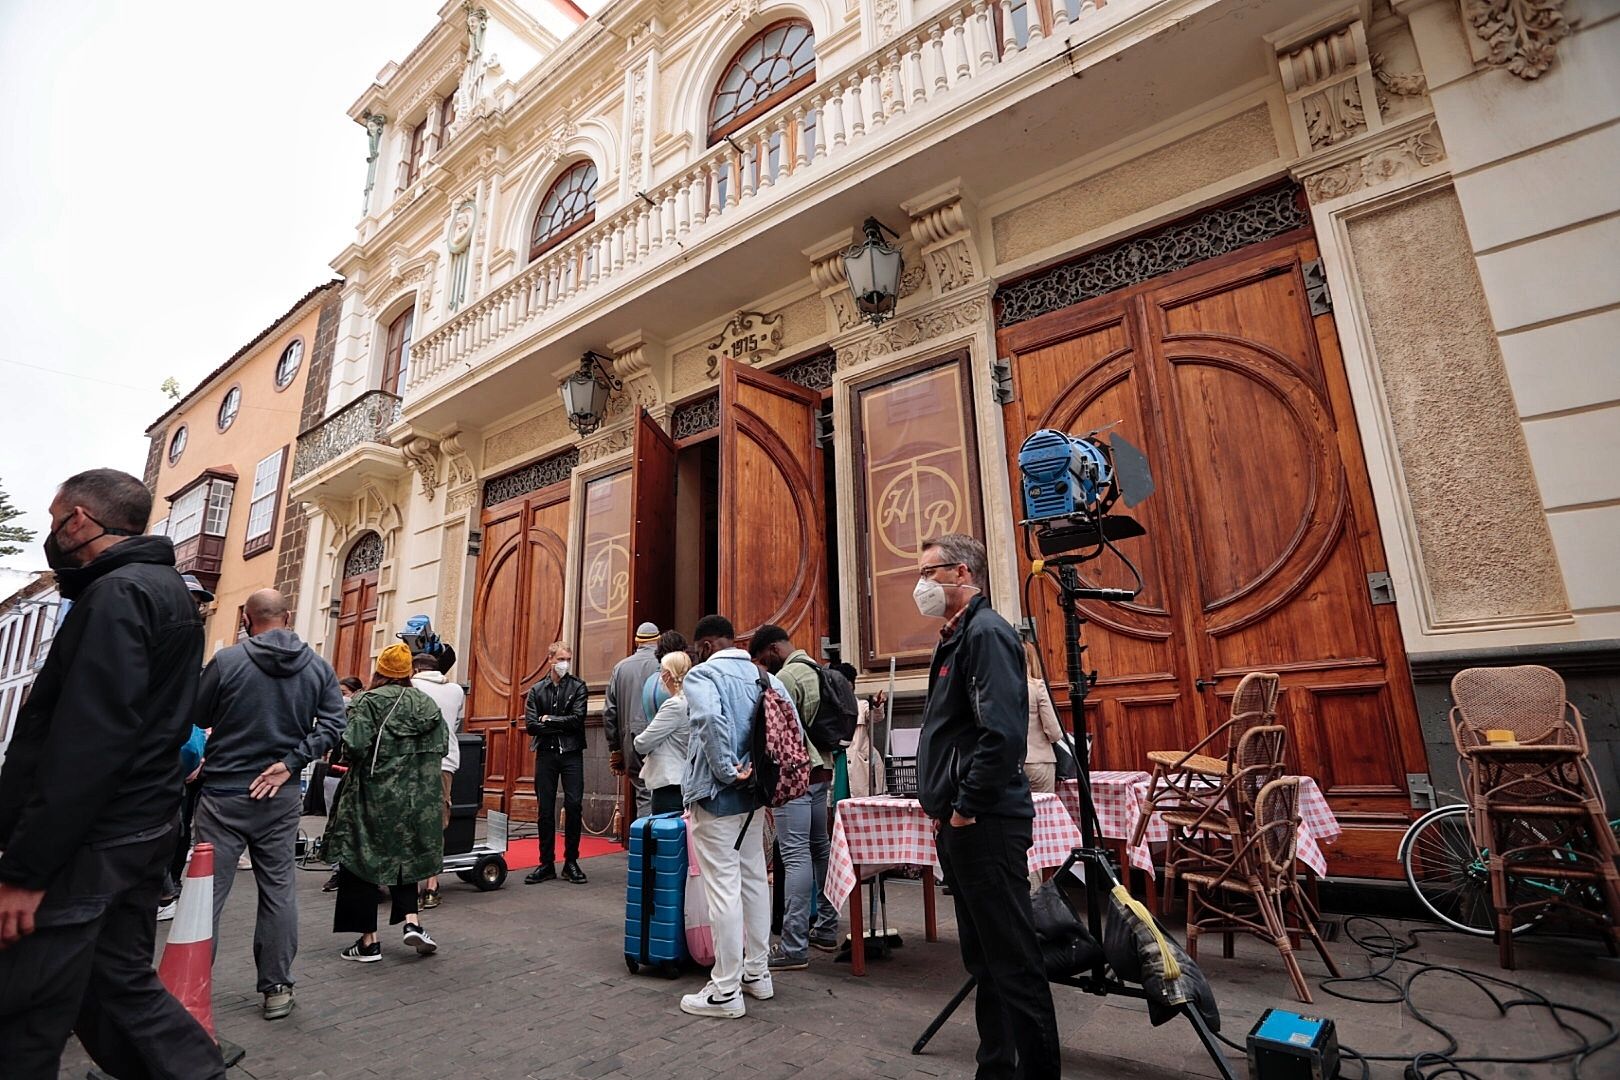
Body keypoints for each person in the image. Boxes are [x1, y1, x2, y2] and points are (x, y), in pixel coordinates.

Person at [0, 468, 226, 1079]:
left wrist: (25, 869)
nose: (52, 534)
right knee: (115, 988)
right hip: (140, 825)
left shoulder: (119, 593)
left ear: (78, 519)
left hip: (96, 839)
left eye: (54, 521)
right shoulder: (162, 591)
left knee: (24, 1008)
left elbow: (88, 739)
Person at [915, 533, 1060, 1078]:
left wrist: (965, 808)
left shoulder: (986, 633)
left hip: (986, 822)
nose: (922, 584)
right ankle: (995, 1067)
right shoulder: (954, 637)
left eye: (930, 573)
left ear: (962, 575)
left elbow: (1001, 737)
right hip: (961, 824)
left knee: (1014, 962)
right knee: (984, 961)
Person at [191, 588, 346, 1020]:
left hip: (223, 793)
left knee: (208, 894)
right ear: (288, 616)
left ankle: (191, 984)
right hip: (279, 796)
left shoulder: (227, 662)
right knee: (278, 890)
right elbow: (335, 725)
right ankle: (277, 986)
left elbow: (196, 714)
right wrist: (290, 762)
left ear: (246, 618)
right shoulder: (317, 667)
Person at [679, 615, 793, 1019]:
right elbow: (789, 724)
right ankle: (756, 973)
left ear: (707, 645)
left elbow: (708, 719)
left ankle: (725, 990)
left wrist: (727, 768)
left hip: (717, 796)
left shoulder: (702, 676)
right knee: (753, 882)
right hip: (756, 798)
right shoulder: (766, 678)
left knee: (723, 889)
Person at [325, 644, 447, 962]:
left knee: (360, 859)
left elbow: (354, 745)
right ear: (408, 672)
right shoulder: (426, 704)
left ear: (380, 670)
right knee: (404, 856)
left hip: (372, 792)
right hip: (417, 796)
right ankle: (412, 922)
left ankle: (368, 941)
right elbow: (442, 745)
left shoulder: (367, 701)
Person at [748, 625, 839, 966]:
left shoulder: (786, 678)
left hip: (795, 776)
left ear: (771, 650)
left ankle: (793, 945)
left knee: (795, 854)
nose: (761, 667)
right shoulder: (817, 668)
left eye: (760, 660)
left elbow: (777, 733)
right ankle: (827, 928)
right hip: (822, 771)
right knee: (820, 848)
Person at [158, 574, 218, 921]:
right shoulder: (166, 638)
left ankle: (169, 889)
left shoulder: (191, 647)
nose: (197, 607)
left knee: (178, 828)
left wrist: (201, 752)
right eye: (192, 599)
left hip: (188, 761)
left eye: (199, 602)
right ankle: (164, 890)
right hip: (165, 759)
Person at [523, 642, 589, 885]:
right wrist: (557, 723)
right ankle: (546, 862)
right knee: (545, 809)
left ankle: (571, 861)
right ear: (550, 659)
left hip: (571, 753)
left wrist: (549, 719)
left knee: (574, 805)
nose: (565, 664)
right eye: (561, 659)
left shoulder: (578, 686)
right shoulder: (537, 690)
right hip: (546, 753)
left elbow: (577, 720)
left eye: (568, 659)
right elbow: (531, 725)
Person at [411, 651, 465, 908]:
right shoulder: (456, 690)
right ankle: (432, 886)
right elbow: (455, 723)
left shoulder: (410, 686)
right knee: (437, 822)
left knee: (411, 819)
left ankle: (409, 882)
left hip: (416, 760)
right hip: (446, 760)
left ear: (415, 669)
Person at [604, 622, 661, 820]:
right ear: (658, 640)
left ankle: (644, 845)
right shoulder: (664, 664)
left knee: (644, 792)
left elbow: (610, 712)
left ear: (637, 642)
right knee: (664, 791)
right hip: (662, 736)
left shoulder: (620, 668)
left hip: (630, 738)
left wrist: (616, 749)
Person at [633, 651, 692, 813]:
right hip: (685, 778)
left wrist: (637, 739)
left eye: (662, 672)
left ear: (667, 675)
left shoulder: (674, 705)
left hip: (669, 781)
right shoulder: (691, 700)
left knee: (665, 833)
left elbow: (642, 743)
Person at [1023, 641, 1063, 796]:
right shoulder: (1037, 686)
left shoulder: (997, 689)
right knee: (1043, 814)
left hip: (1010, 763)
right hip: (1038, 761)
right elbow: (1054, 732)